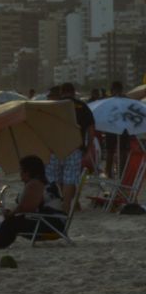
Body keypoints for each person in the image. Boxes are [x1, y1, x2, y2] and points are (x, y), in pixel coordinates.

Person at [0, 155, 65, 249]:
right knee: (11, 220)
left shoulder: (34, 184)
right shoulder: (43, 182)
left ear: (28, 172)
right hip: (56, 222)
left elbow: (26, 208)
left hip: (50, 225)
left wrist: (10, 214)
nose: (20, 174)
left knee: (11, 222)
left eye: (21, 170)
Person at [50, 82, 96, 213]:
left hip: (55, 147)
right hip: (75, 147)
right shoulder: (82, 106)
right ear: (74, 92)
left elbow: (46, 127)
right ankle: (66, 208)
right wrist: (89, 147)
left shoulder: (54, 106)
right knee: (70, 179)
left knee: (57, 178)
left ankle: (63, 202)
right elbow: (91, 129)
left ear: (61, 92)